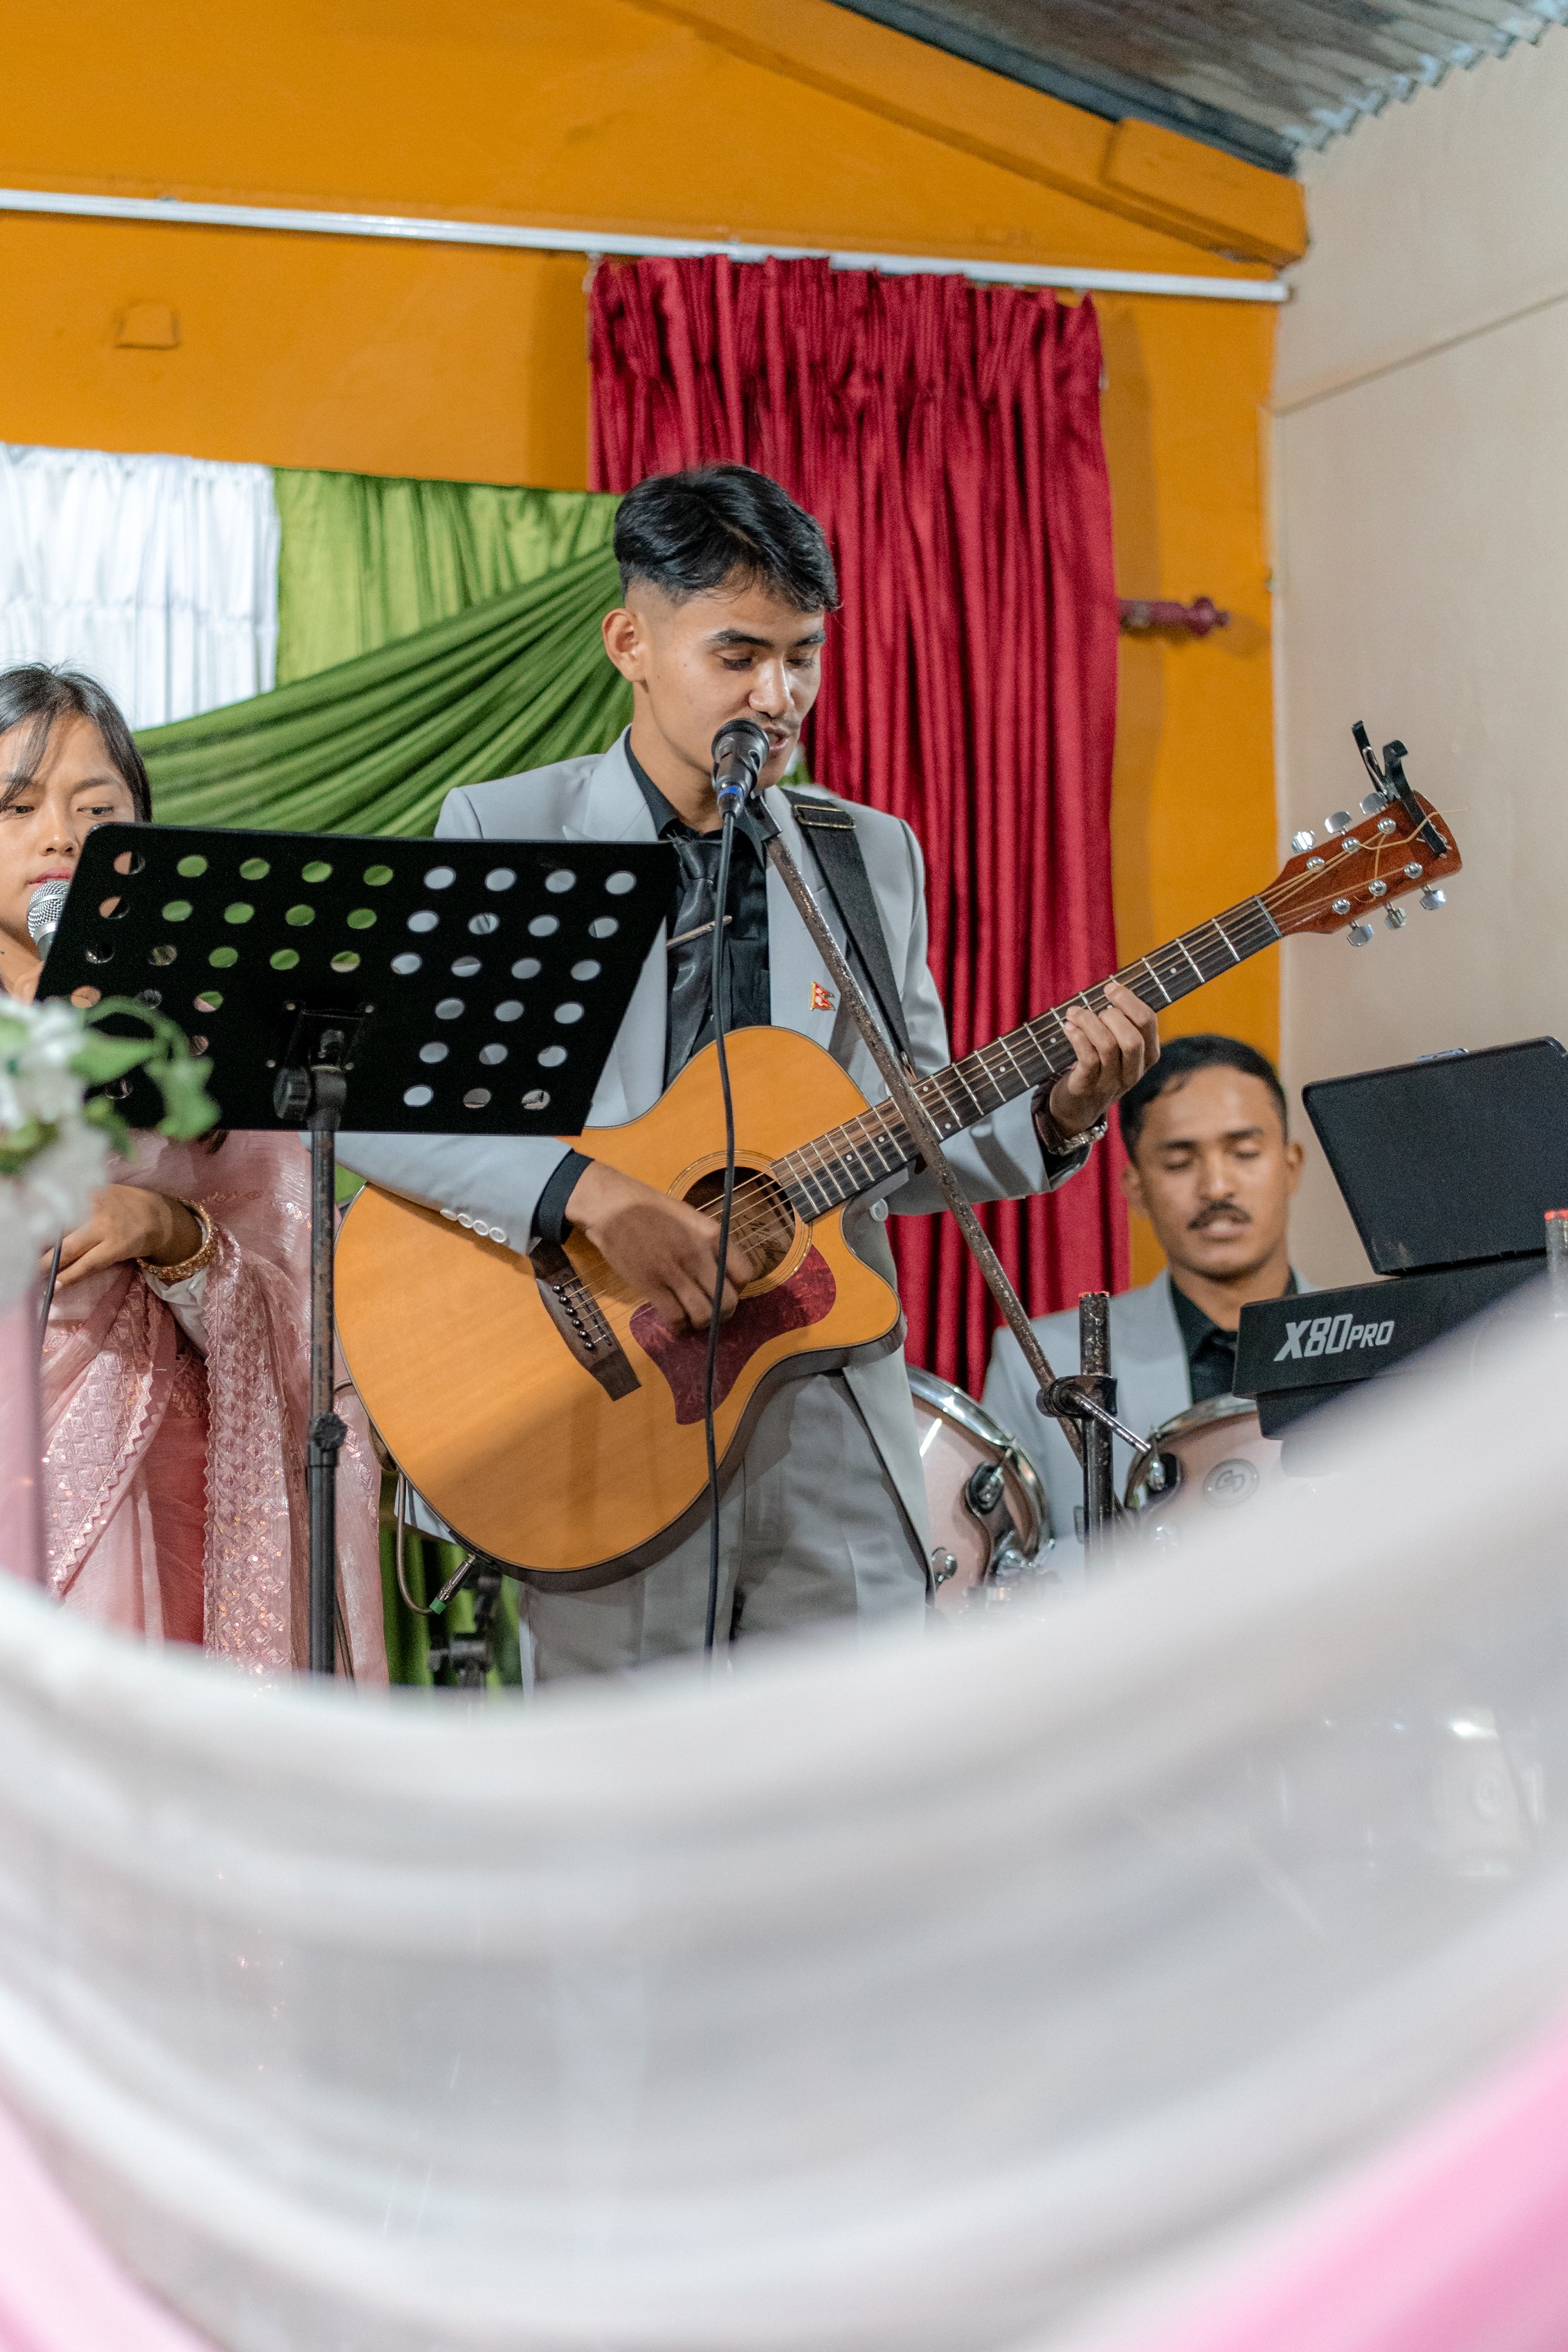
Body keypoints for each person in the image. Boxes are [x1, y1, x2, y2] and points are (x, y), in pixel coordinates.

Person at [339, 463, 1158, 1678]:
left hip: (824, 1397)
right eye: (737, 656)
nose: (777, 699)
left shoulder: (866, 856)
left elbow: (907, 1124)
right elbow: (372, 1106)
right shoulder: (506, 828)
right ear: (629, 641)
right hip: (601, 1405)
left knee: (840, 1818)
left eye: (803, 658)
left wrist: (1055, 1110)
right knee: (621, 1824)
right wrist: (590, 1195)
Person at [0, 664, 384, 1672]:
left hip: (164, 1492)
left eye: (98, 808)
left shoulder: (206, 1040)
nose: (61, 838)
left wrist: (168, 1236)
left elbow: (306, 1302)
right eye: (16, 806)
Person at [983, 1032, 1310, 1544]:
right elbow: (1011, 1574)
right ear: (1136, 1189)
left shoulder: (1387, 1345)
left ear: (1291, 1167)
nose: (1216, 1187)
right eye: (1180, 1163)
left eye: (1244, 1152)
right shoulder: (1041, 1363)